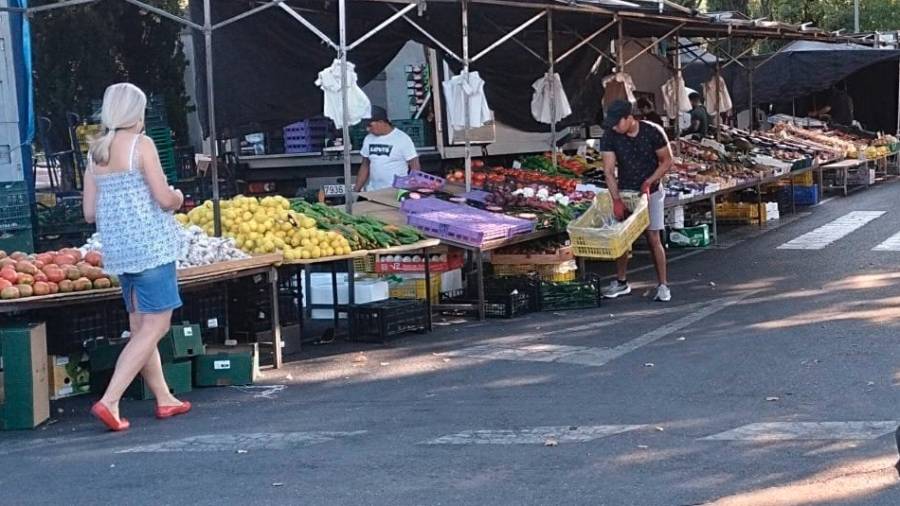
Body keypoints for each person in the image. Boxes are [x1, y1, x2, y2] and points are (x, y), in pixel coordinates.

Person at [82, 83, 190, 431]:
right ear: (136, 112)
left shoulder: (95, 152)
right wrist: (177, 196)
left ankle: (165, 399)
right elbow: (162, 198)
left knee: (139, 327)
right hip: (152, 248)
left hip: (119, 252)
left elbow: (88, 212)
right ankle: (110, 401)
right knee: (156, 326)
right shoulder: (142, 145)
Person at [599, 99, 673, 302]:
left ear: (629, 118)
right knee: (621, 237)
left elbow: (666, 160)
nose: (614, 127)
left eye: (617, 122)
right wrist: (616, 200)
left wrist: (650, 181)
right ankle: (621, 282)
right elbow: (608, 171)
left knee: (653, 237)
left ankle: (663, 285)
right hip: (625, 191)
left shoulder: (652, 131)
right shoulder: (610, 136)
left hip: (652, 192)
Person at [354, 106, 421, 192]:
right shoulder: (368, 139)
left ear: (381, 122)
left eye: (370, 125)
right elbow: (365, 165)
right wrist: (356, 191)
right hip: (373, 191)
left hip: (395, 191)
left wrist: (412, 189)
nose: (367, 129)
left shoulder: (402, 139)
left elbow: (415, 165)